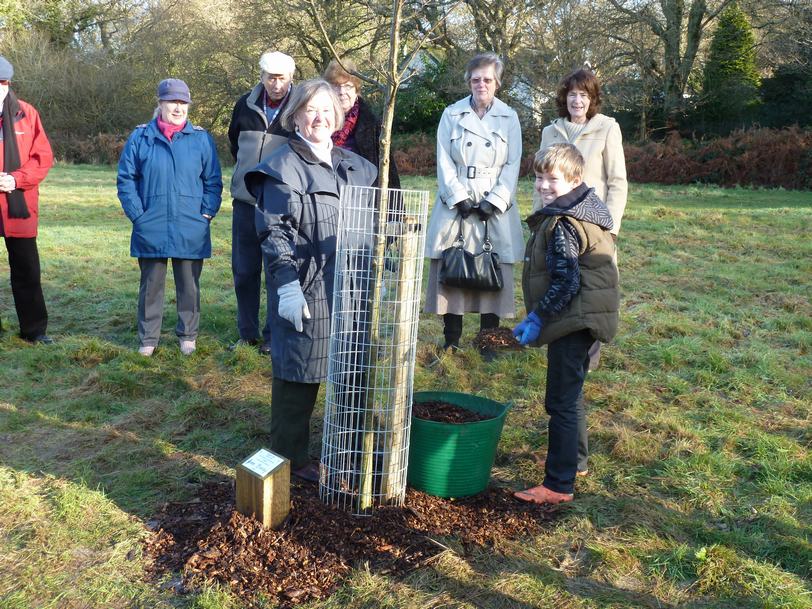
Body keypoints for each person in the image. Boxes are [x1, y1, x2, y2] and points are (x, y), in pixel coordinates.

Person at [245, 79, 377, 482]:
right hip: (307, 284)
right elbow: (274, 232)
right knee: (299, 371)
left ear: (338, 116)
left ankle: (353, 453)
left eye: (326, 110)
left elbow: (375, 223)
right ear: (296, 115)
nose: (319, 117)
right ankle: (292, 459)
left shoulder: (358, 167)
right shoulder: (282, 166)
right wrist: (286, 286)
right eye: (310, 110)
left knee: (354, 370)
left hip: (352, 284)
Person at [513, 144, 619, 505]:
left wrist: (539, 315)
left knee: (560, 400)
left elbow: (566, 281)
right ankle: (575, 461)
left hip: (574, 320)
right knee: (571, 394)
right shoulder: (586, 209)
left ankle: (558, 484)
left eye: (552, 179)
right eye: (539, 177)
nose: (543, 185)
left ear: (574, 179)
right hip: (586, 317)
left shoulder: (563, 223)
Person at [535, 68, 628, 475]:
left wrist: (608, 227)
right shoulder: (551, 131)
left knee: (569, 376)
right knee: (568, 373)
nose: (577, 101)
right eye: (572, 94)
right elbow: (541, 179)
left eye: (584, 95)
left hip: (588, 229)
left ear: (592, 99)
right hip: (565, 223)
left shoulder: (607, 129)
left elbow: (617, 182)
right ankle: (575, 454)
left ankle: (570, 463)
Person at [424, 52, 523, 354]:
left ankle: (489, 342)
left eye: (488, 79)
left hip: (494, 203)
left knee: (492, 269)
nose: (482, 84)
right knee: (453, 267)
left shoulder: (509, 117)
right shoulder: (451, 114)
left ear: (498, 83)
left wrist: (495, 201)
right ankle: (451, 340)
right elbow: (442, 159)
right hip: (457, 201)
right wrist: (458, 197)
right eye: (476, 79)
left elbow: (513, 163)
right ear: (468, 81)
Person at [117, 79, 223, 356]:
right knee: (151, 285)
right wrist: (138, 215)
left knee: (189, 284)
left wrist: (207, 213)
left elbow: (213, 180)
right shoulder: (140, 137)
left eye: (183, 102)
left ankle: (188, 335)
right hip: (151, 222)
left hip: (191, 223)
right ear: (160, 104)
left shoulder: (201, 139)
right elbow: (126, 179)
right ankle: (148, 339)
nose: (178, 108)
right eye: (172, 102)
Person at [227, 51, 296, 354]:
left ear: (291, 78)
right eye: (270, 77)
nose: (275, 84)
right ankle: (247, 334)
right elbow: (234, 143)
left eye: (281, 78)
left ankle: (272, 337)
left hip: (279, 205)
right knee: (244, 271)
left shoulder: (299, 107)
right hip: (244, 201)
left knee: (276, 270)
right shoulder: (244, 104)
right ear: (261, 76)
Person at [0, 56, 55, 344]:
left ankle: (34, 330)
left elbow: (42, 158)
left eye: (2, 83)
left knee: (27, 270)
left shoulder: (27, 114)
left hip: (18, 205)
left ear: (7, 84)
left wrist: (16, 179)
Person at [322, 58, 400, 189]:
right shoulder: (316, 120)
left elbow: (388, 172)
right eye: (336, 86)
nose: (342, 92)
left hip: (361, 196)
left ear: (356, 90)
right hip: (325, 190)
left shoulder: (373, 125)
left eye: (348, 86)